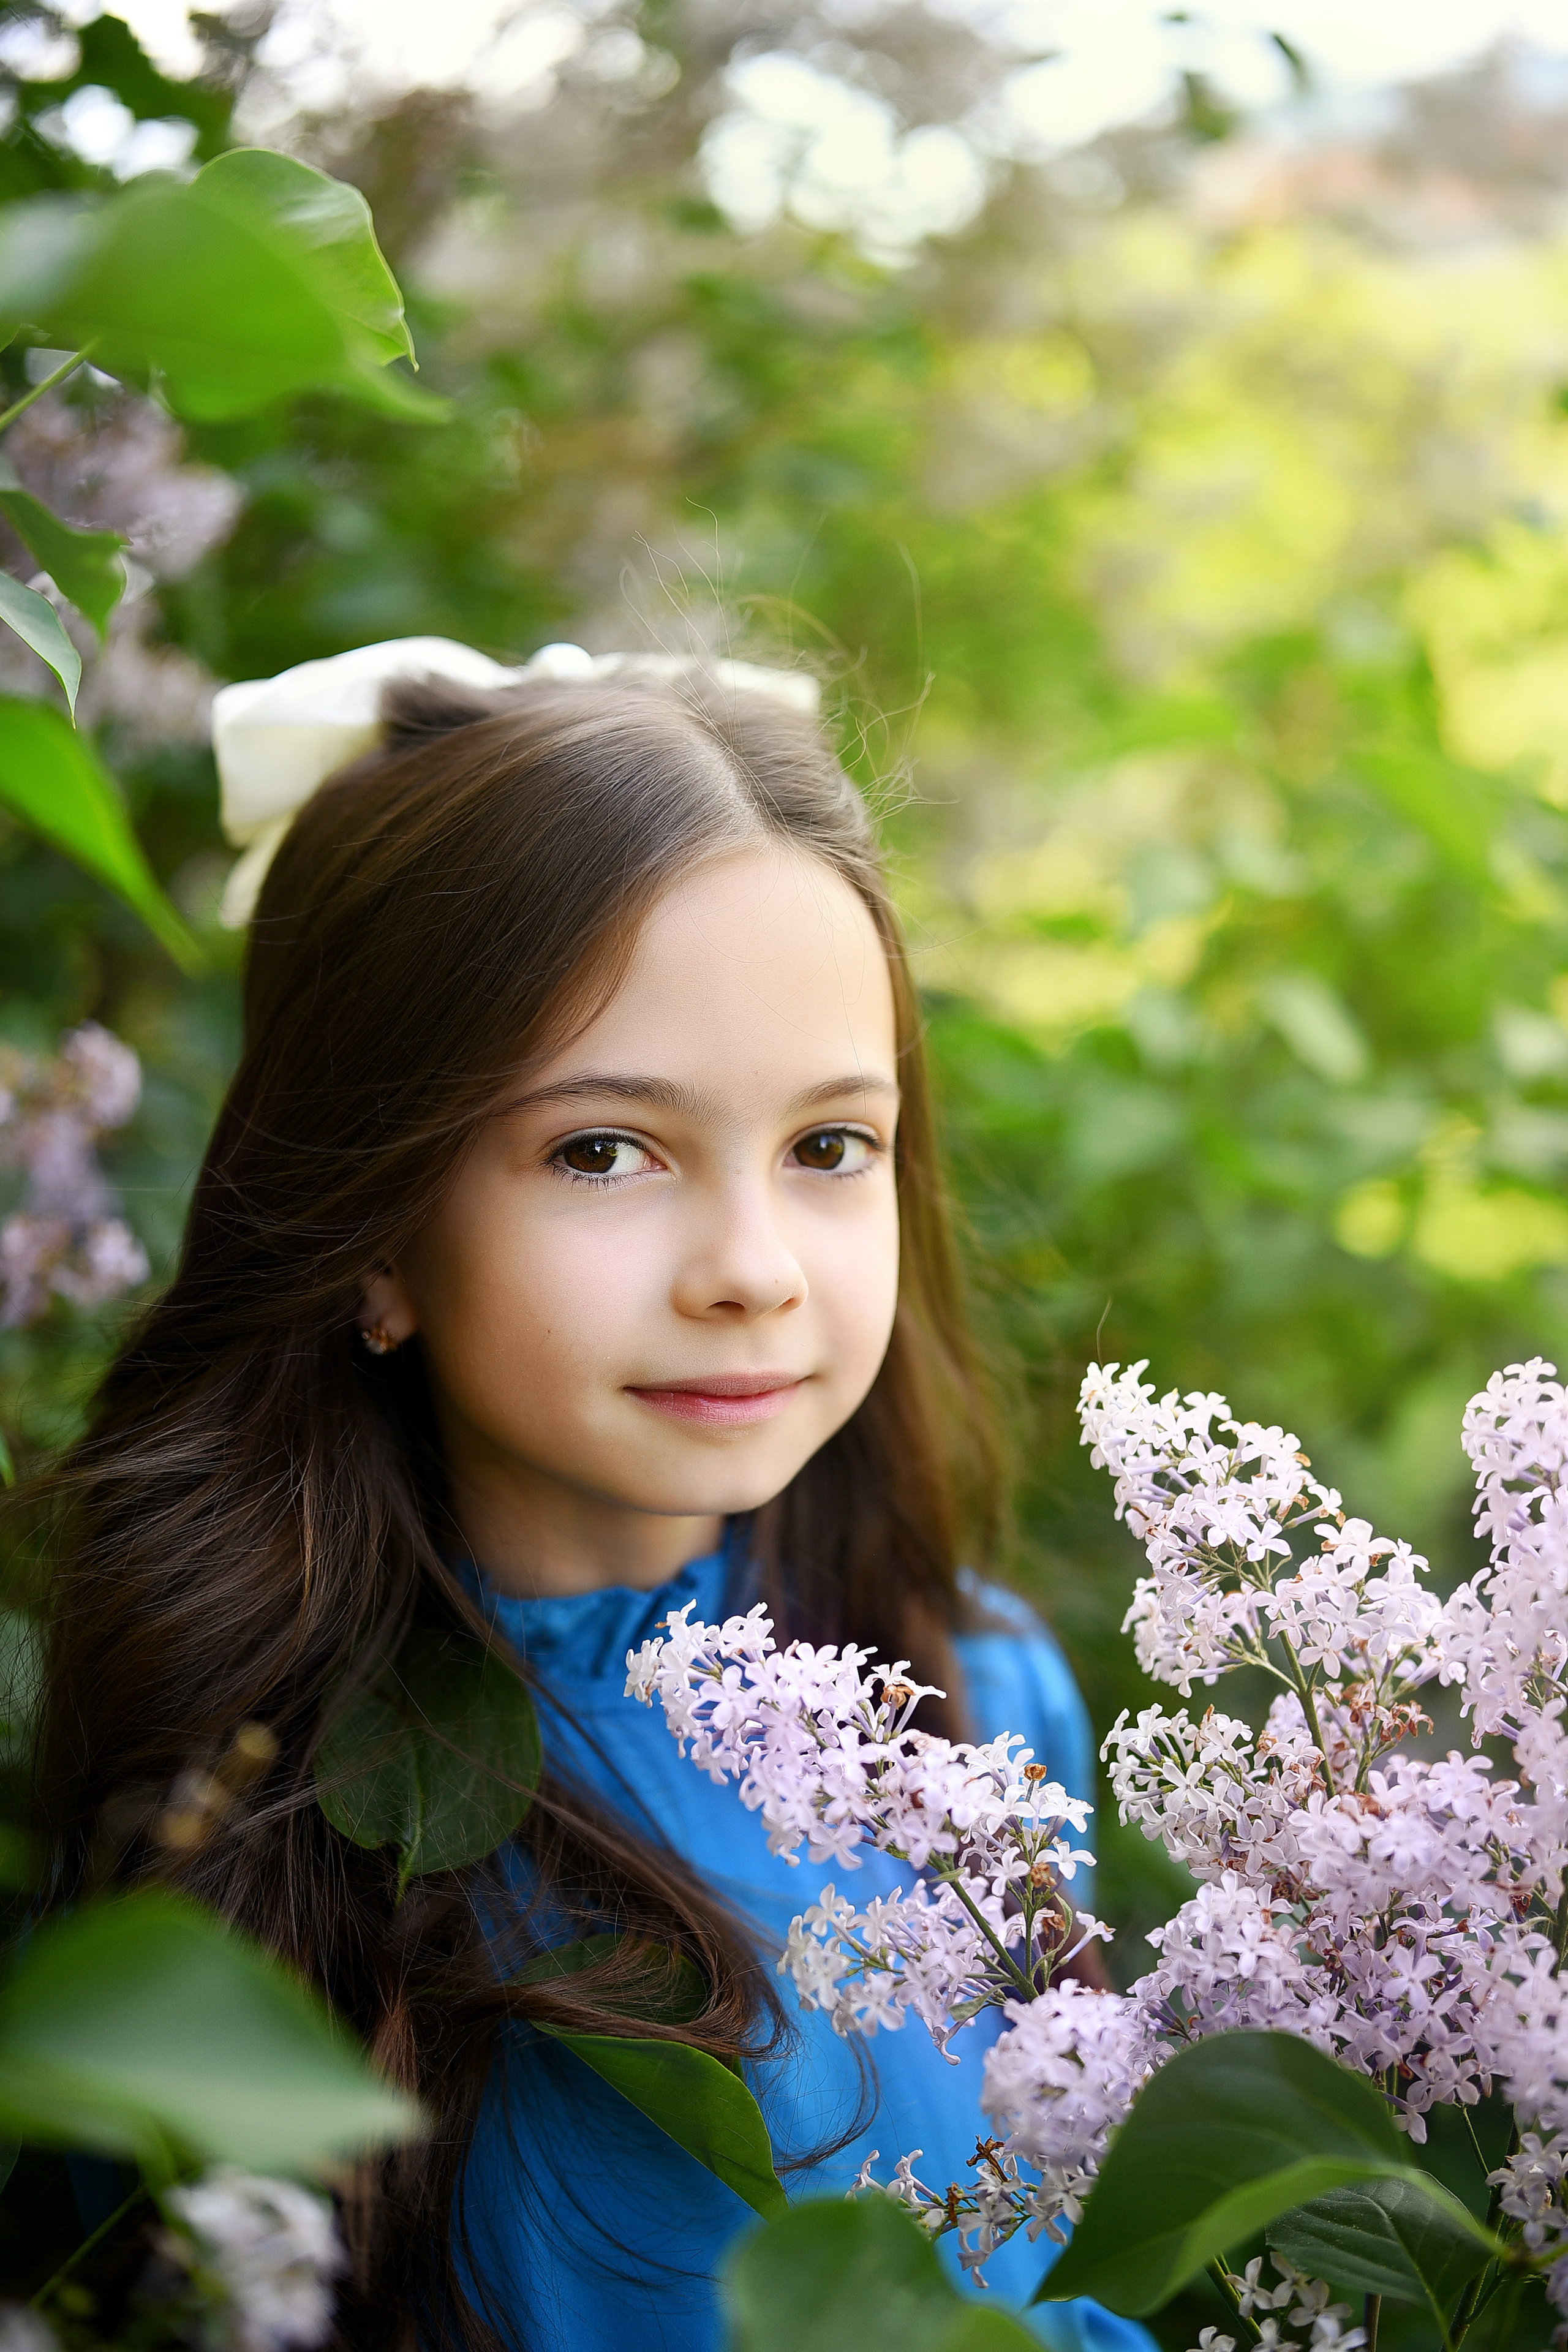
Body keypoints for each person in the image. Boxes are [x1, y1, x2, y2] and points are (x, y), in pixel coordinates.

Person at [29, 638, 1156, 2352]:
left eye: (828, 1146)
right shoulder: (232, 1793)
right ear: (377, 1228)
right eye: (602, 1152)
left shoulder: (974, 1696)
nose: (753, 1269)